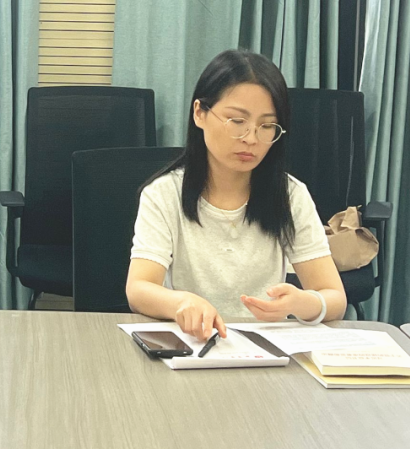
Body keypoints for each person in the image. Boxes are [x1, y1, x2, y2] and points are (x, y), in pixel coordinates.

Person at [125, 50, 346, 341]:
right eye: (237, 121)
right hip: (192, 343)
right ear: (200, 113)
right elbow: (139, 289)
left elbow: (335, 297)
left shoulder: (290, 195)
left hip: (264, 347)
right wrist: (182, 302)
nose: (251, 139)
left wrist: (302, 303)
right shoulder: (164, 194)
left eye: (267, 126)